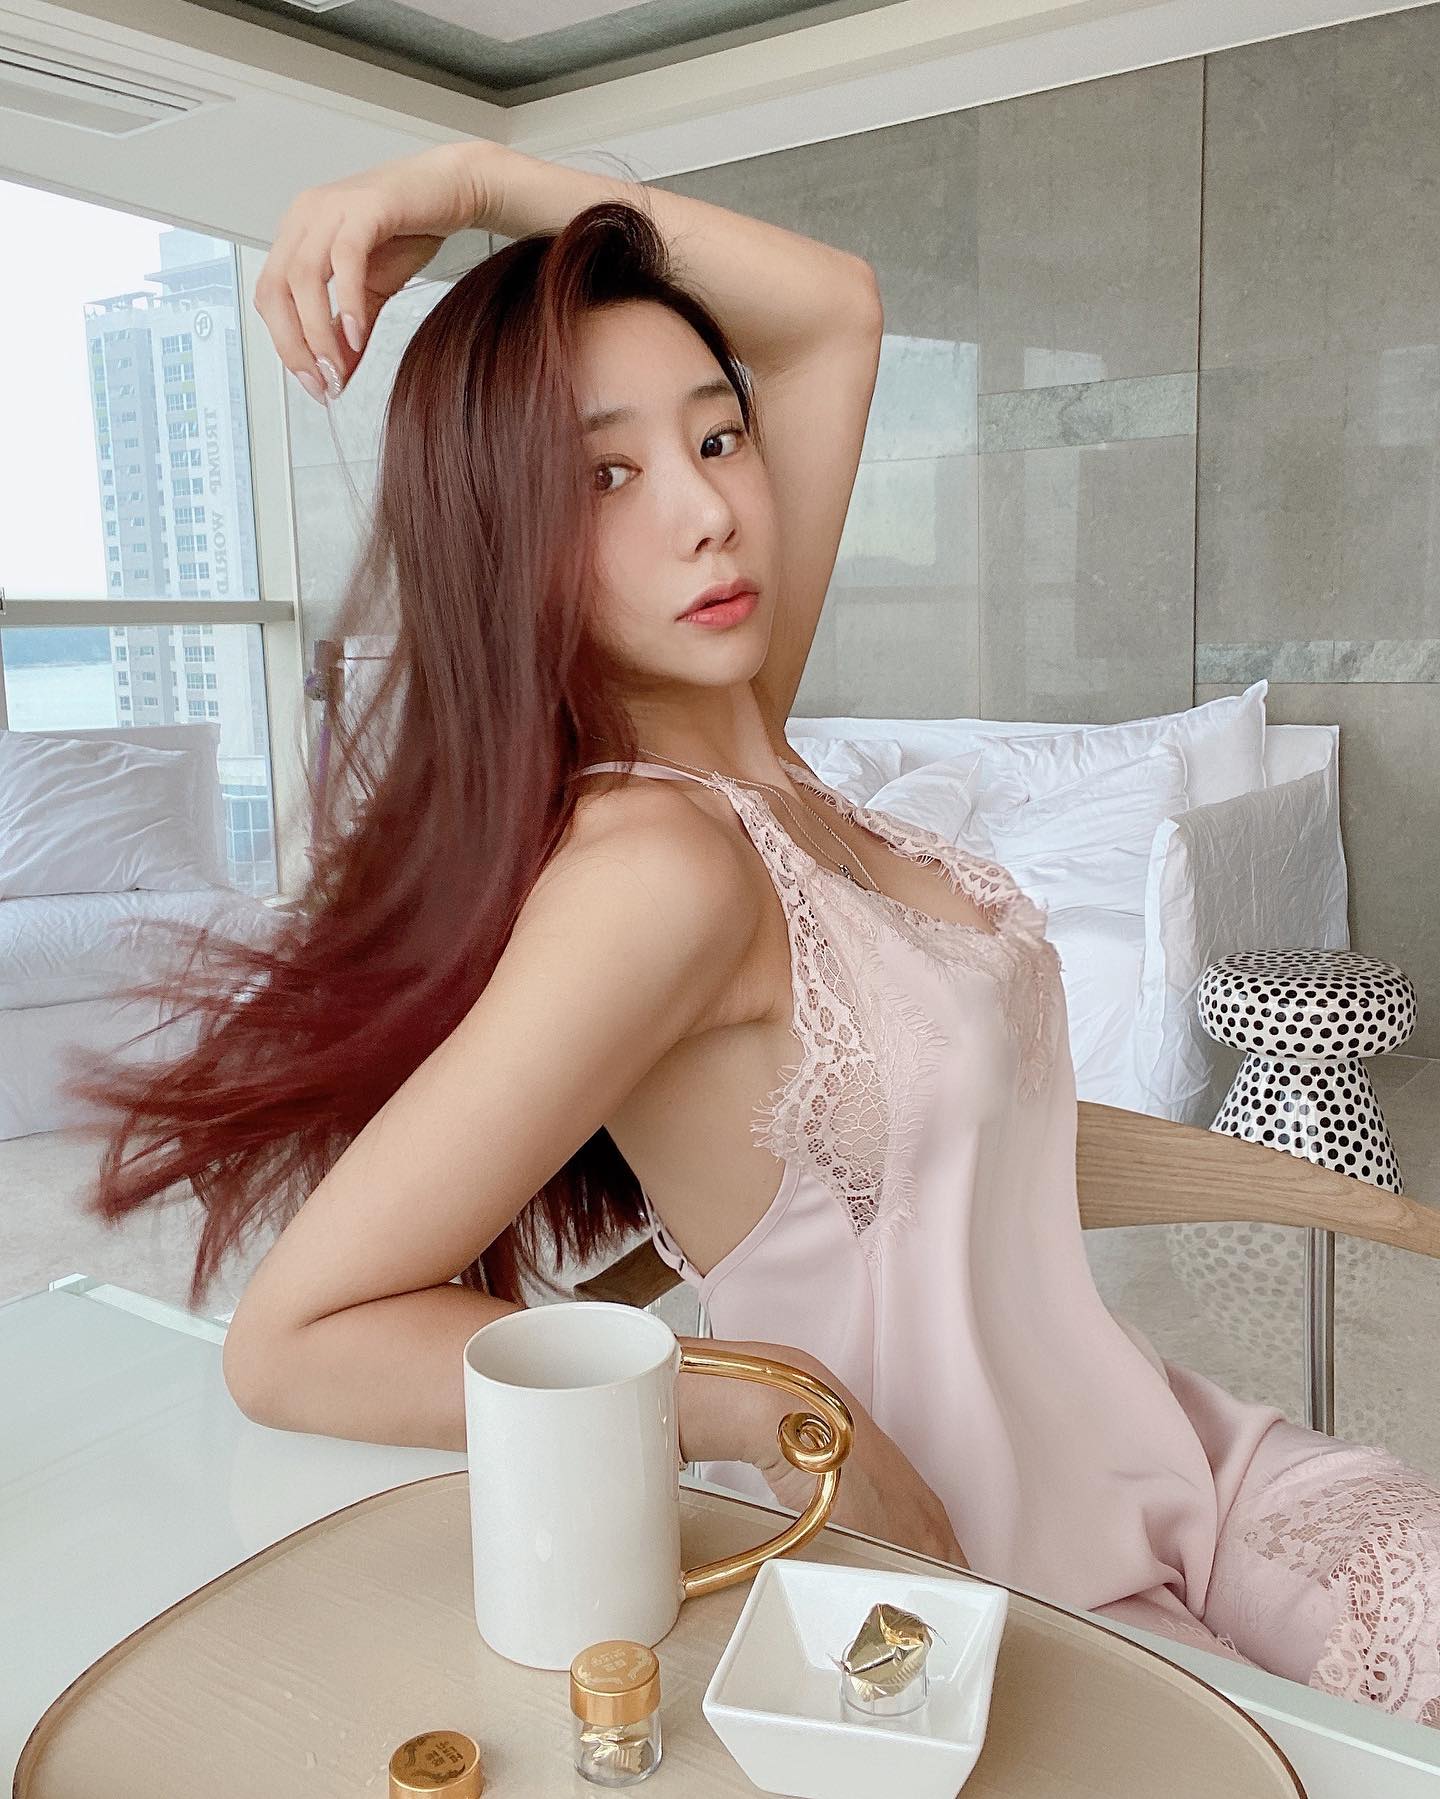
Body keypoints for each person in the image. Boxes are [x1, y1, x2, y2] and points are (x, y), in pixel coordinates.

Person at [72, 137, 1440, 1729]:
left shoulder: (755, 751)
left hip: (1177, 1462)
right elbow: (295, 1339)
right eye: (605, 477)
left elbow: (834, 308)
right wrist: (771, 1410)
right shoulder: (660, 870)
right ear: (506, 541)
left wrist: (463, 182)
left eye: (717, 437)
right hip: (982, 1570)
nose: (710, 512)